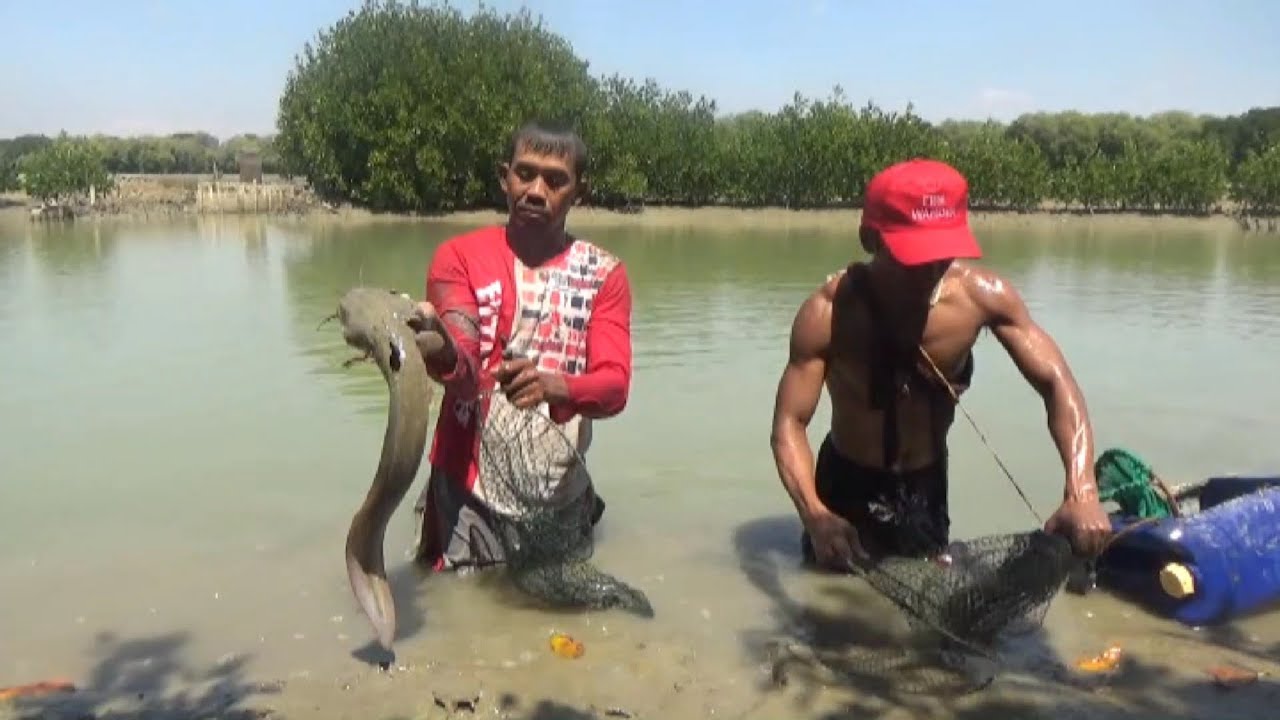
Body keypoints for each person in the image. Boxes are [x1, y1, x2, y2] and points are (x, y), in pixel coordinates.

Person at [768, 158, 1111, 571]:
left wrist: (1083, 489)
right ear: (870, 238)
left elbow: (1057, 382)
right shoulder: (828, 314)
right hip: (846, 481)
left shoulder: (982, 297)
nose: (931, 269)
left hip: (925, 483)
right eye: (915, 255)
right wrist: (815, 514)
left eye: (941, 252)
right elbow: (789, 423)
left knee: (928, 595)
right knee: (828, 600)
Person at [406, 120, 633, 572]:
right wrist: (444, 348)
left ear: (579, 193)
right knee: (464, 621)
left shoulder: (604, 274)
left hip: (559, 490)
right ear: (503, 177)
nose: (535, 190)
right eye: (524, 173)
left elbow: (614, 387)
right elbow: (465, 370)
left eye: (555, 179)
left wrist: (556, 387)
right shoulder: (459, 258)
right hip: (469, 488)